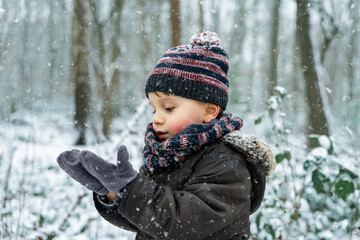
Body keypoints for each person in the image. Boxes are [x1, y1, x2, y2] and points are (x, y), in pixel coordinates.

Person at [57, 31, 275, 240]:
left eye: (168, 108)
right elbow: (148, 220)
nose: (156, 119)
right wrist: (113, 194)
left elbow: (187, 224)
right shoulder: (165, 155)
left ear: (210, 111)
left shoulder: (225, 161)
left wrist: (132, 189)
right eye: (154, 109)